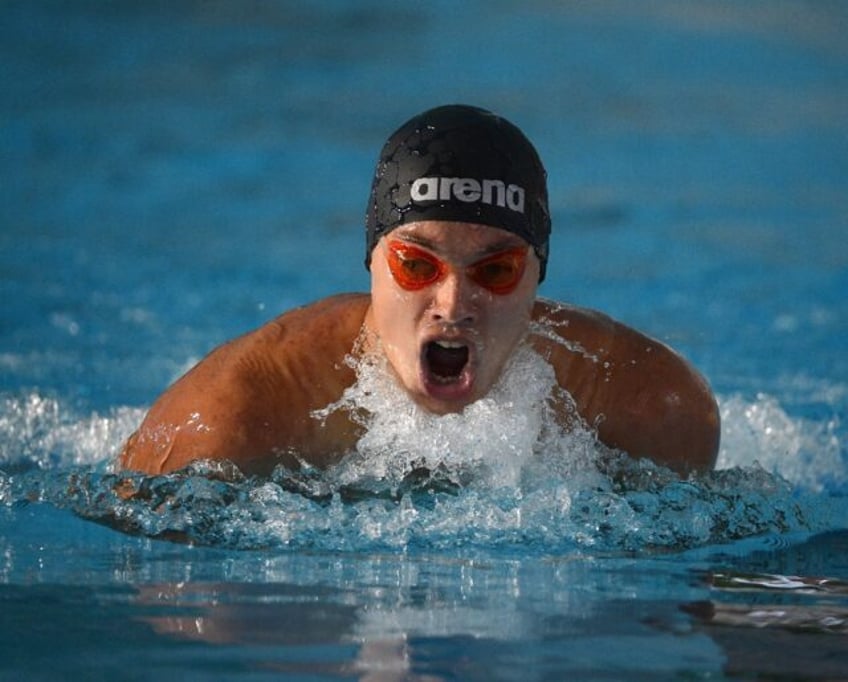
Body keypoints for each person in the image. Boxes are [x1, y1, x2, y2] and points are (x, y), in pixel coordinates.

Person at [119, 104, 720, 478]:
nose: (454, 305)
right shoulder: (230, 421)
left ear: (538, 275)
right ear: (372, 262)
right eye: (416, 266)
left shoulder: (656, 411)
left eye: (496, 271)